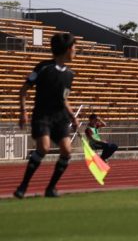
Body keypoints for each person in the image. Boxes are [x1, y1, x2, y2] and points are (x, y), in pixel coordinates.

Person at [14, 32, 79, 198]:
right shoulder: (42, 67)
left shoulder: (70, 74)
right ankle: (23, 186)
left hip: (60, 117)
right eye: (75, 47)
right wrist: (23, 112)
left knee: (66, 150)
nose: (76, 51)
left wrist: (72, 116)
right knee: (44, 147)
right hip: (42, 116)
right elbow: (23, 90)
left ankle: (51, 188)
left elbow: (64, 99)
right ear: (68, 49)